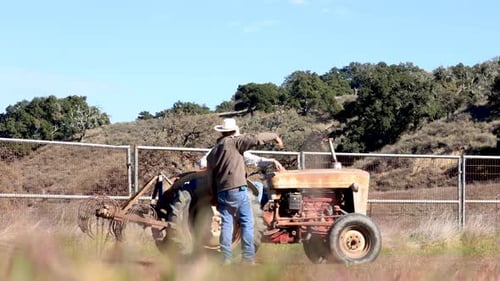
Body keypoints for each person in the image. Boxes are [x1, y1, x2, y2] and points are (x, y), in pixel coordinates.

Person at [206, 118, 284, 265]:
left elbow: (210, 175)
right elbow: (256, 138)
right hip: (238, 190)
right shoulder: (235, 142)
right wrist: (274, 136)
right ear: (234, 131)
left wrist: (212, 194)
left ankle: (226, 259)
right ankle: (248, 259)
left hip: (222, 192)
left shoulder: (214, 151)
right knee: (247, 223)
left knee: (227, 225)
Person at [198, 129, 285, 205]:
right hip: (231, 185)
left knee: (258, 185)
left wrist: (272, 161)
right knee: (257, 187)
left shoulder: (215, 149)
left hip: (221, 185)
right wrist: (274, 137)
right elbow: (255, 148)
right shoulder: (235, 147)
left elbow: (202, 163)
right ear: (234, 135)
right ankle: (255, 213)